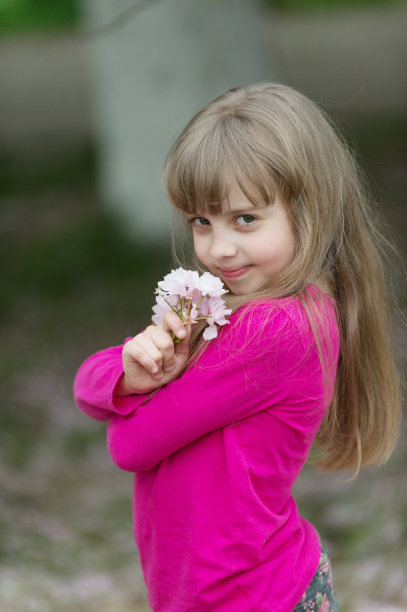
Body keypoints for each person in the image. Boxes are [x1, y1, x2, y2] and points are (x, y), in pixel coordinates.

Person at [73, 83, 401, 612]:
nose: (218, 248)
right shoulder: (226, 305)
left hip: (249, 597)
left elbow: (129, 447)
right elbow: (89, 386)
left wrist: (137, 385)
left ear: (309, 211)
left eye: (245, 219)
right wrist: (131, 376)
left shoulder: (274, 328)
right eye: (201, 221)